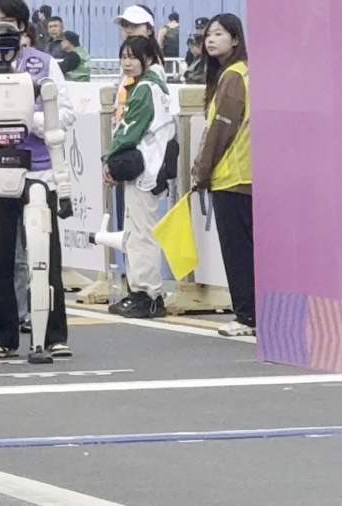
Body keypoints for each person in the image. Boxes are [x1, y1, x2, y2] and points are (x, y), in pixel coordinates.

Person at [0, 0, 75, 358]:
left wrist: (29, 119)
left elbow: (65, 114)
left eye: (8, 21)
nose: (0, 28)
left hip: (38, 168)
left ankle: (53, 334)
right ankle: (0, 335)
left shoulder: (44, 64)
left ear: (23, 26)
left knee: (45, 254)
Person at [102, 36, 175, 319]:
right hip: (152, 169)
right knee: (139, 232)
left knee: (141, 234)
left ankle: (147, 294)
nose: (127, 62)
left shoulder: (145, 88)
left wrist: (110, 160)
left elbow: (129, 130)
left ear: (149, 58)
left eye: (133, 57)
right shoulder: (156, 85)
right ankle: (142, 293)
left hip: (146, 170)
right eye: (124, 56)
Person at [191, 14, 254, 337]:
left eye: (219, 34)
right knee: (249, 249)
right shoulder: (246, 72)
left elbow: (220, 131)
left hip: (231, 175)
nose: (211, 40)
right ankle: (253, 312)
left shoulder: (232, 76)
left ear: (236, 39)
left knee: (237, 251)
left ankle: (246, 316)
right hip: (248, 175)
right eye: (208, 35)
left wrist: (201, 172)